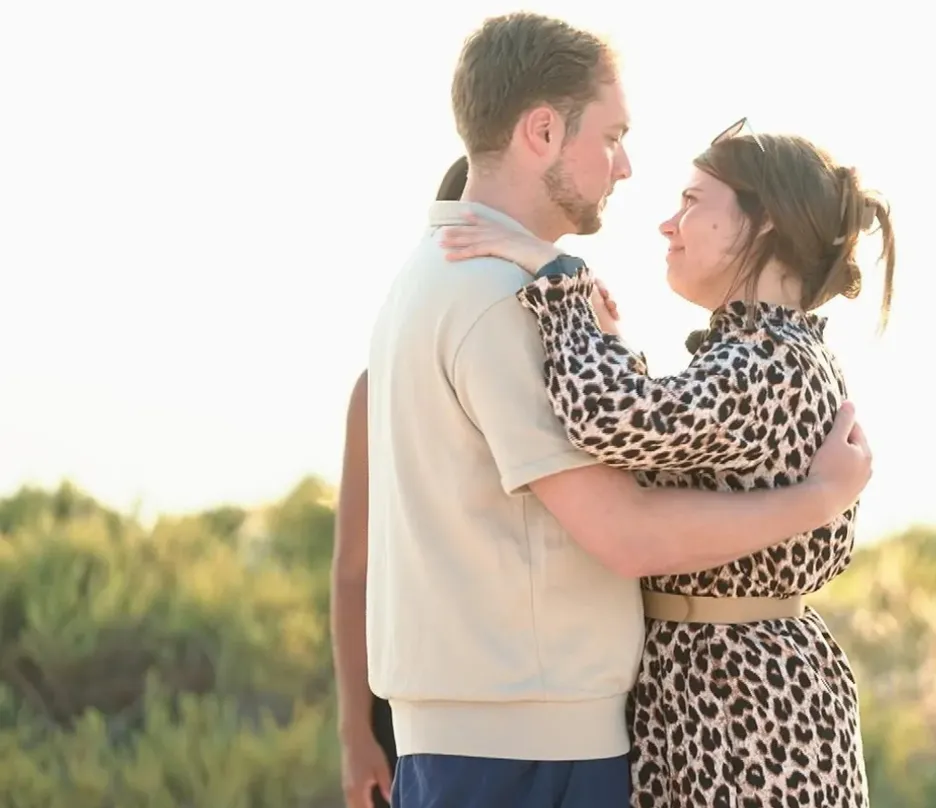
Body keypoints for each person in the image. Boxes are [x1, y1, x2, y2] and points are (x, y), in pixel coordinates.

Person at [362, 12, 875, 808]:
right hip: (531, 744)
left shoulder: (445, 278)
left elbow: (638, 427)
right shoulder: (500, 296)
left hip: (637, 722)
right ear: (541, 132)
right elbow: (627, 528)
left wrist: (579, 308)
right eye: (611, 136)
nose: (627, 166)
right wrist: (820, 499)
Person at [329, 156, 470, 808]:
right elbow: (353, 572)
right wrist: (354, 731)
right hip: (409, 706)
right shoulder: (378, 387)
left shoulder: (571, 372)